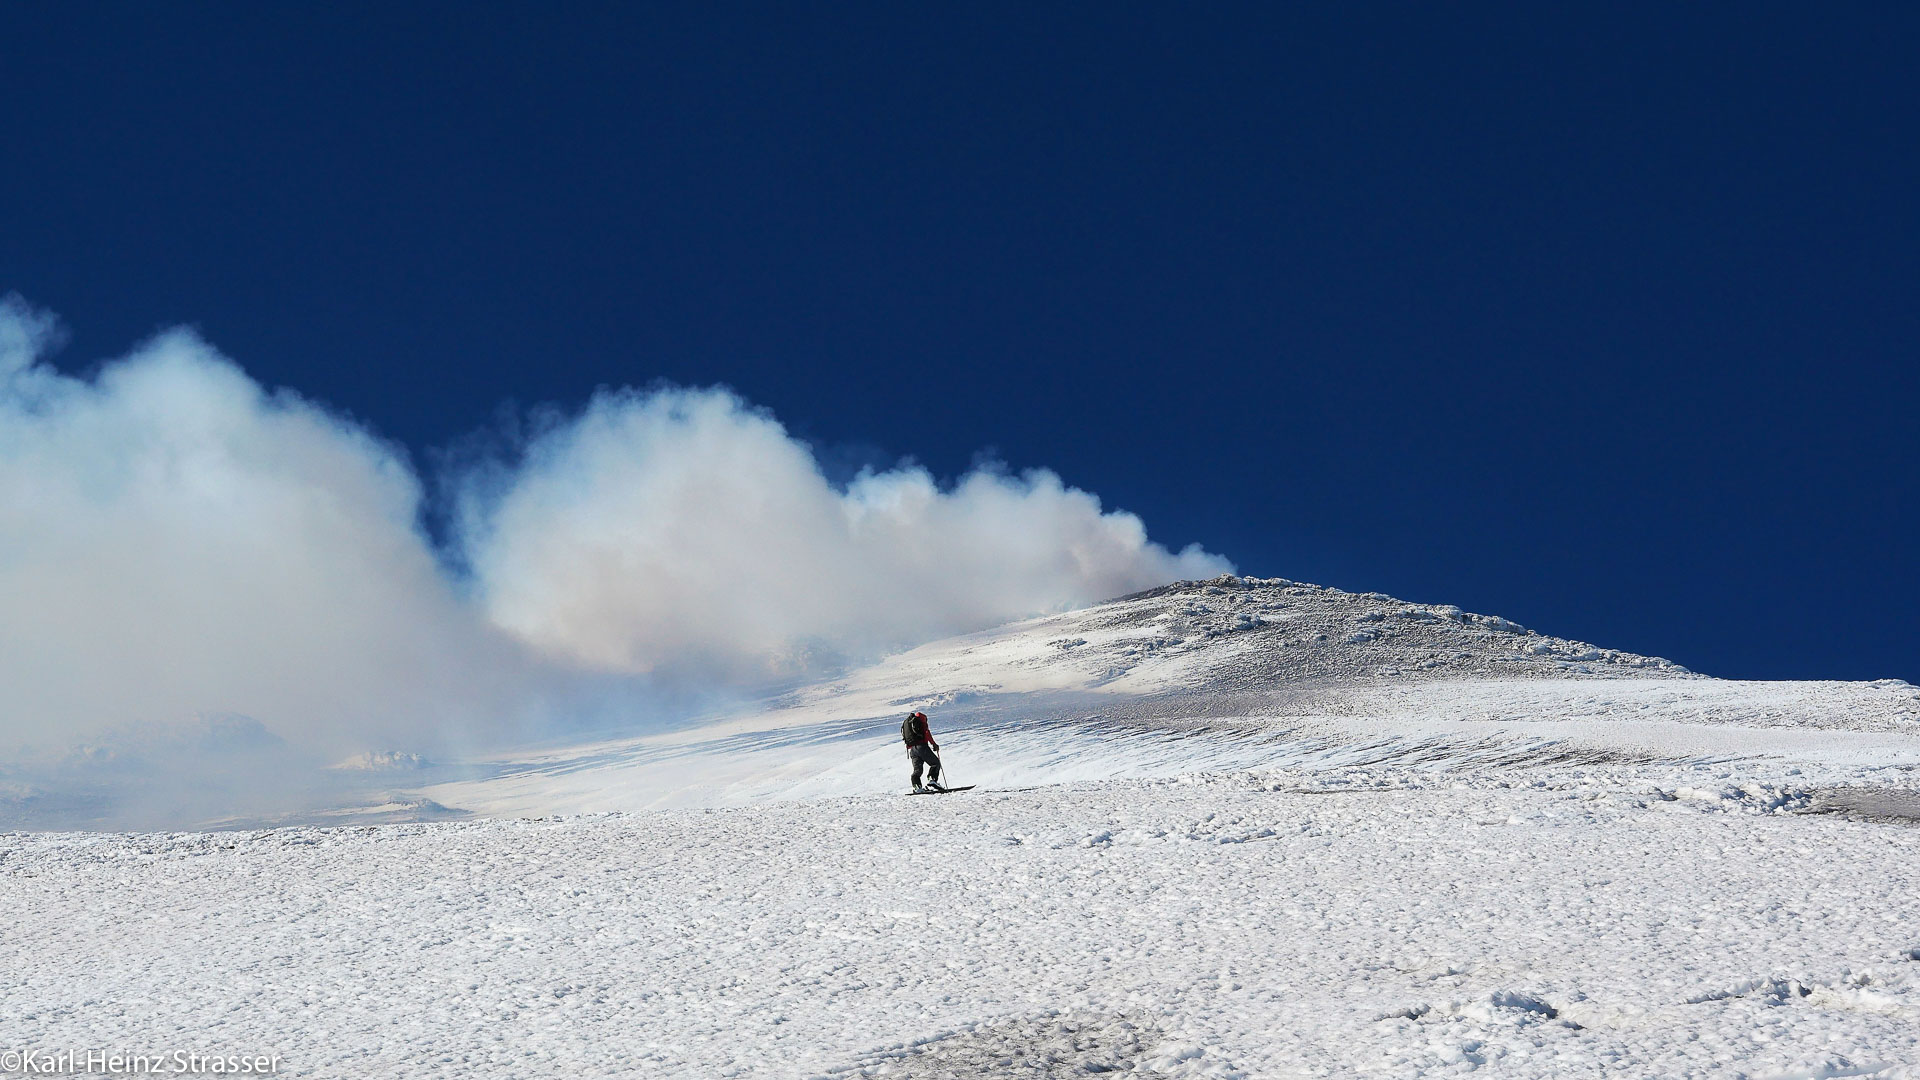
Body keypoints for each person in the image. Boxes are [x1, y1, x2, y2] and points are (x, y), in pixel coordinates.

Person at [901, 710, 944, 792]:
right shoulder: (921, 720)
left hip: (912, 750)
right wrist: (934, 744)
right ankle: (932, 781)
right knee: (935, 763)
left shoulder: (909, 723)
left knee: (917, 770)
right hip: (922, 747)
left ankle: (917, 787)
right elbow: (927, 733)